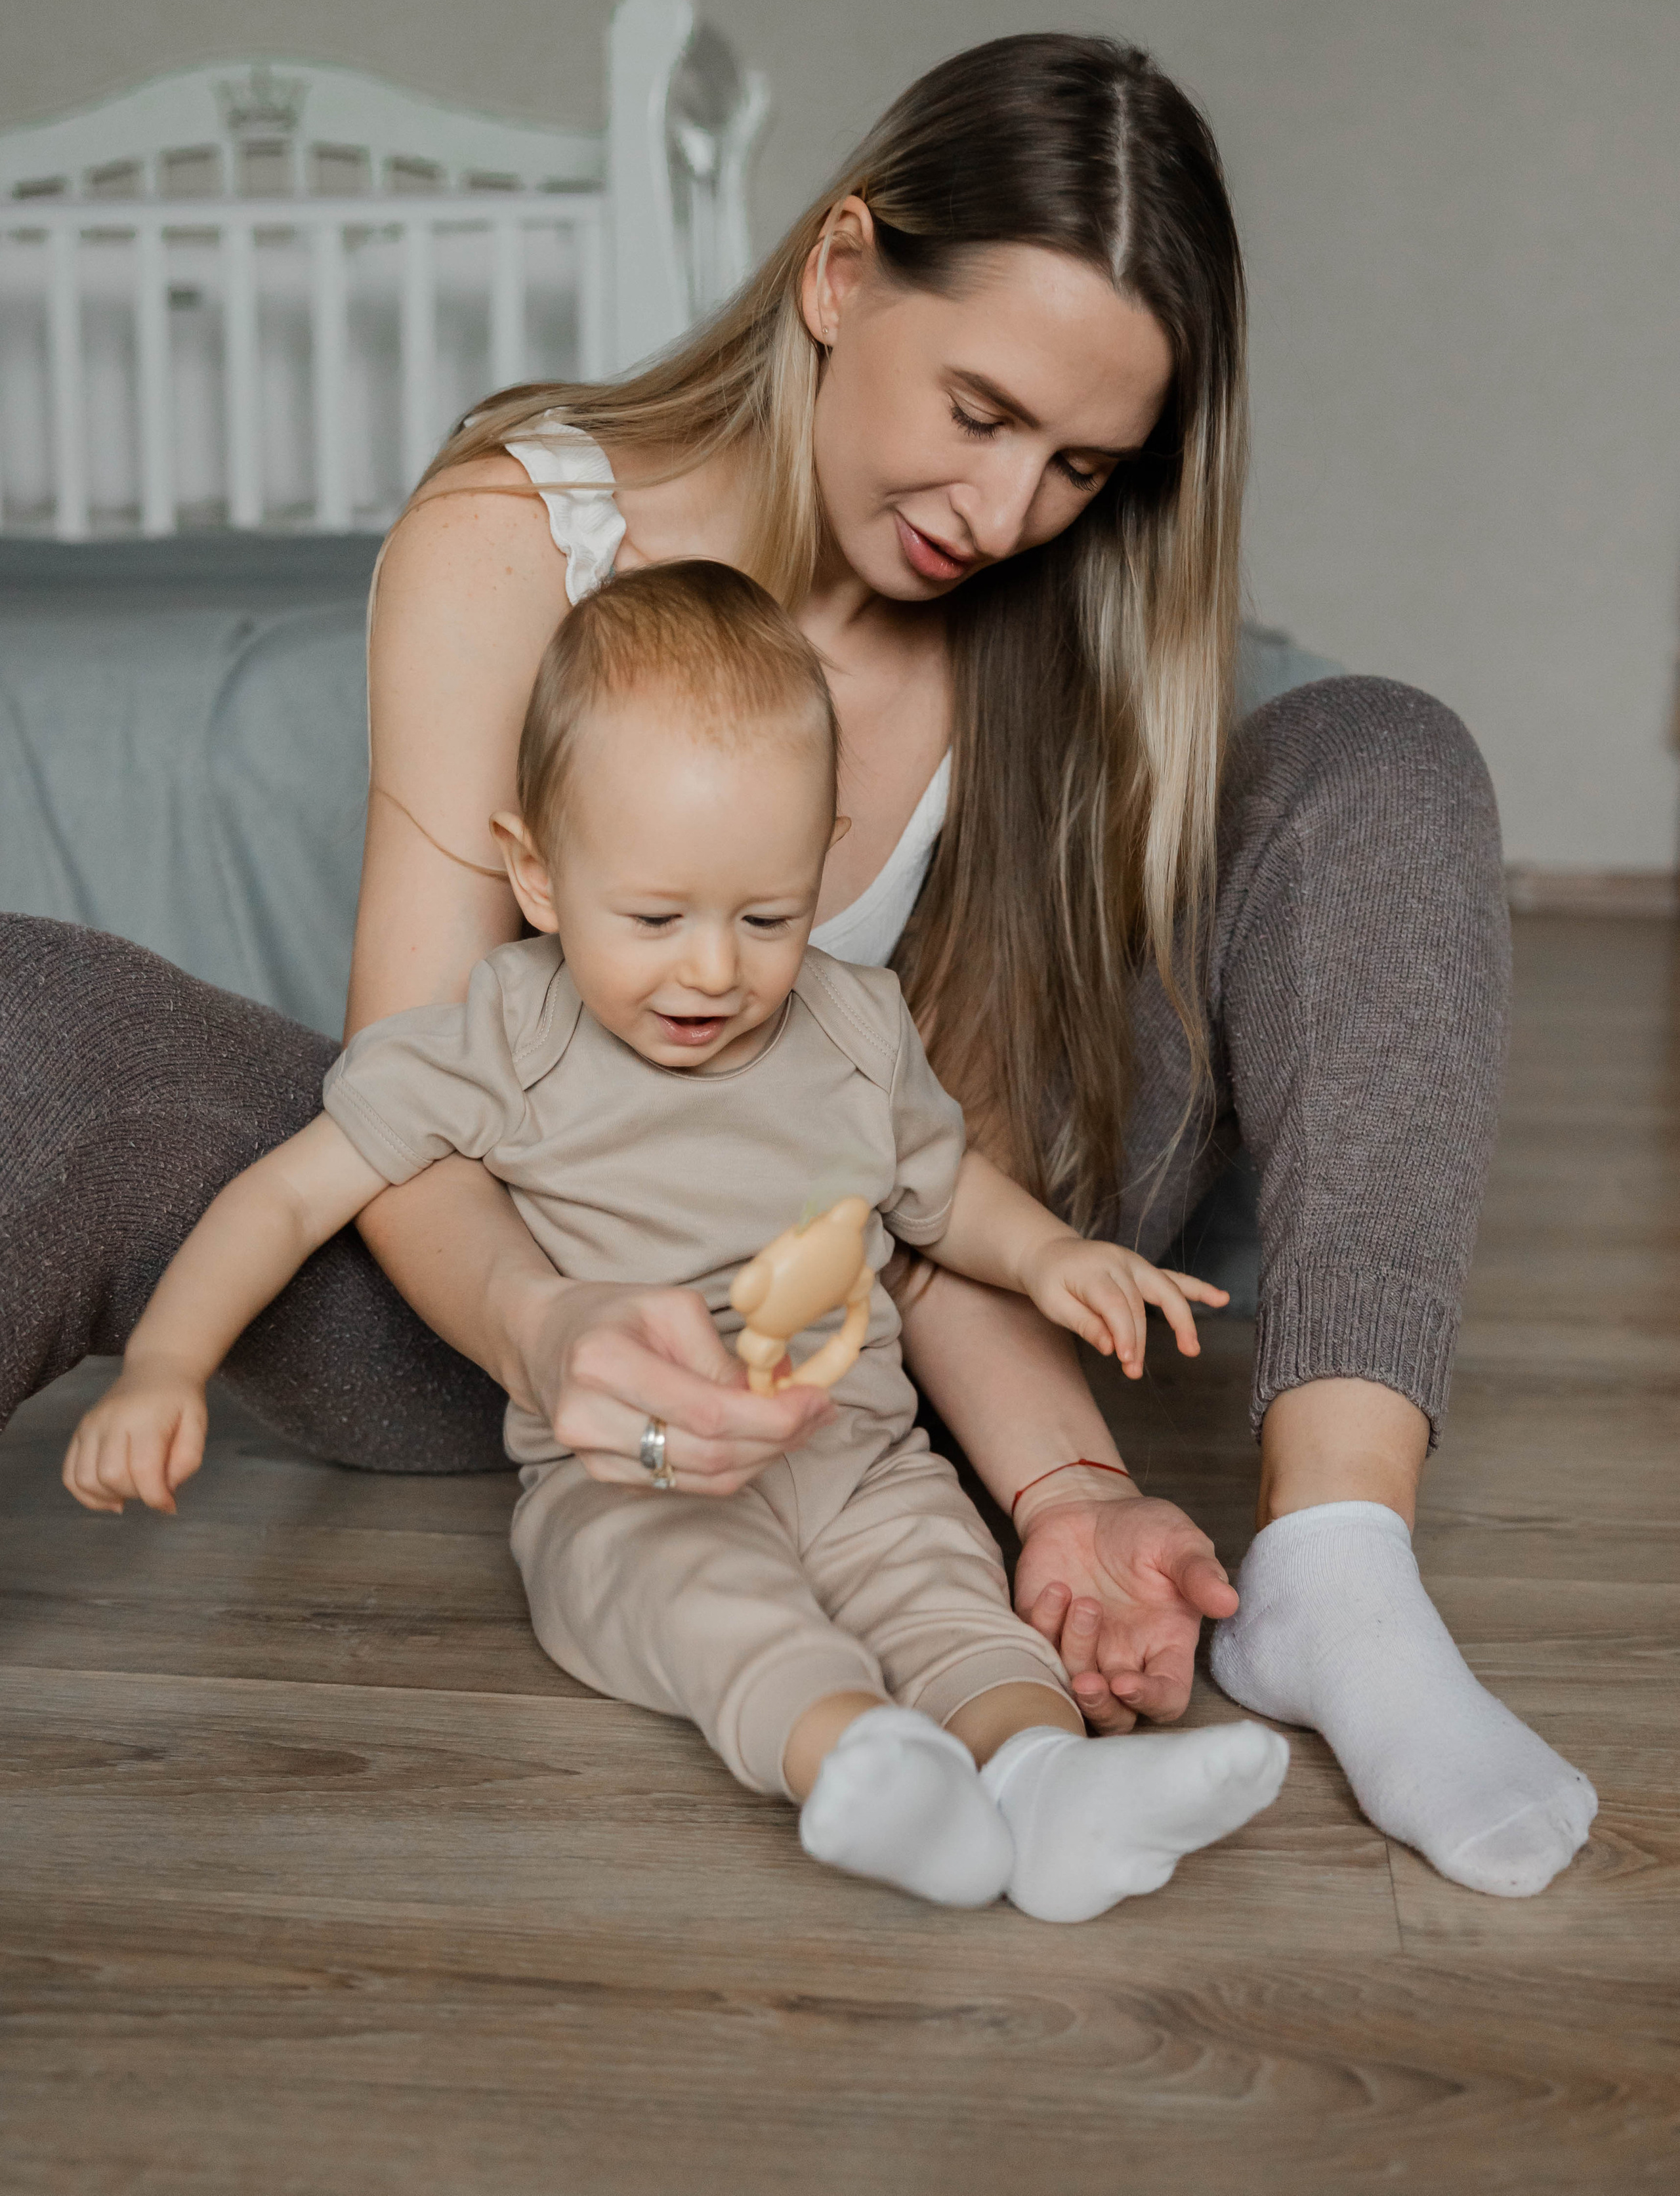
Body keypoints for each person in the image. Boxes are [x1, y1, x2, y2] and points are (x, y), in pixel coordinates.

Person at [3, 28, 1593, 1897]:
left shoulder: (1053, 616)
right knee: (41, 1014)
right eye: (980, 414)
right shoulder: (522, 533)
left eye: (1080, 465)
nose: (1002, 516)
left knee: (1383, 750)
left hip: (912, 1296)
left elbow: (923, 1188)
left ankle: (1340, 1568)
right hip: (532, 1308)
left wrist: (1071, 1496)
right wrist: (550, 1329)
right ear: (844, 274)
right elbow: (409, 1092)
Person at [62, 562, 1290, 1922]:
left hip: (858, 1452)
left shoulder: (850, 1022)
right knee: (711, 1614)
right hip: (624, 1485)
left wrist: (1055, 1257)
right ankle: (861, 1768)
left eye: (764, 917)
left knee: (955, 1603)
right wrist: (165, 1369)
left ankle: (1048, 1781)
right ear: (534, 872)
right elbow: (289, 1195)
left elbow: (943, 1193)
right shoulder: (502, 1036)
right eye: (654, 920)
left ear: (824, 853)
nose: (713, 971)